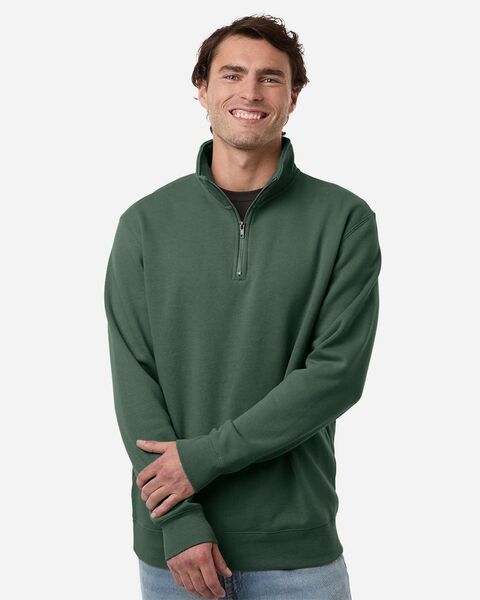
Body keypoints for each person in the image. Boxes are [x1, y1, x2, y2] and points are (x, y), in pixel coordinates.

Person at [104, 14, 381, 600]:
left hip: (297, 553)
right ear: (202, 89)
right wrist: (179, 522)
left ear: (293, 97)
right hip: (175, 551)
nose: (250, 92)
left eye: (270, 78)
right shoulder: (145, 225)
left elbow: (335, 377)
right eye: (232, 75)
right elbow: (134, 383)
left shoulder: (344, 221)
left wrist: (203, 458)